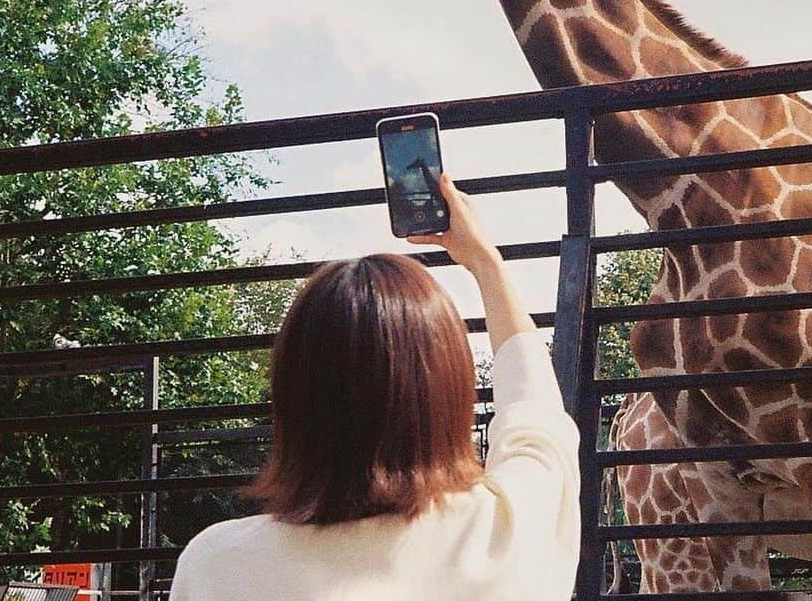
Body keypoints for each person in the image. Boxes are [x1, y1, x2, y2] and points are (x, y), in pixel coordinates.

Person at [168, 173, 580, 600]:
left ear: (293, 397)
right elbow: (537, 418)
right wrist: (484, 262)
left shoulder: (217, 567)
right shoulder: (505, 534)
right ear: (449, 392)